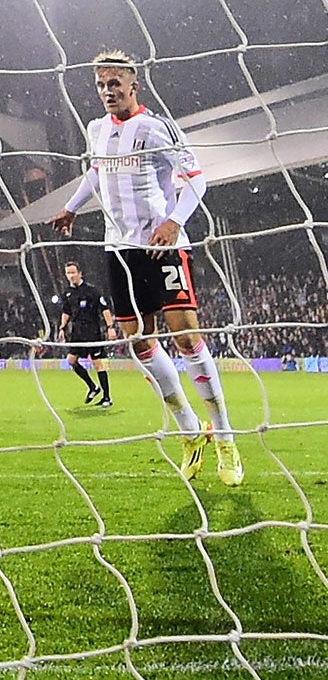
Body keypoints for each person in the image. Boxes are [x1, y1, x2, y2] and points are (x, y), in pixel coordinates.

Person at [48, 51, 241, 485]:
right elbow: (96, 174)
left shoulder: (158, 127)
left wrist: (175, 222)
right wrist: (70, 208)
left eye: (115, 83)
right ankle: (191, 431)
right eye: (101, 85)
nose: (107, 91)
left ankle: (226, 436)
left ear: (134, 86)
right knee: (139, 343)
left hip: (162, 246)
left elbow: (197, 178)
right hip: (120, 250)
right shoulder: (97, 130)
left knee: (187, 335)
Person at [56, 260, 115, 408]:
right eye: (68, 273)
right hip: (77, 332)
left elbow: (104, 309)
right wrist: (62, 328)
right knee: (71, 360)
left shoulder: (92, 291)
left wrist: (110, 327)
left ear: (80, 273)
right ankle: (93, 387)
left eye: (73, 273)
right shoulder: (67, 293)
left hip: (92, 331)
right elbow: (66, 312)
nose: (70, 276)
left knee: (98, 363)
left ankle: (107, 397)